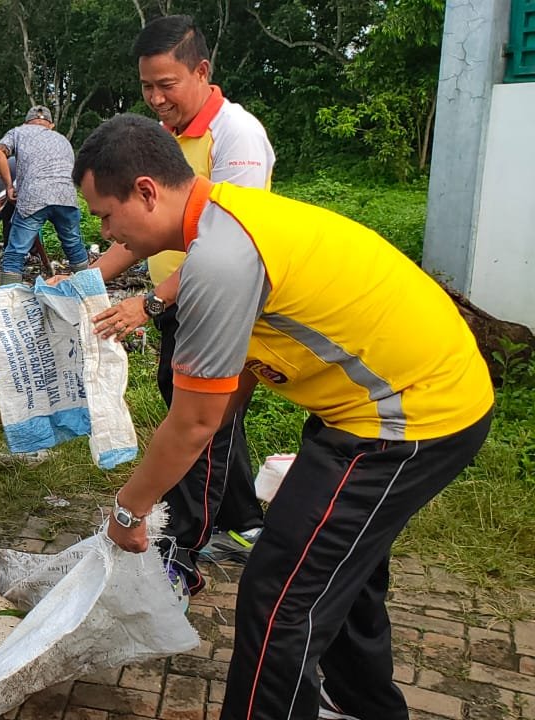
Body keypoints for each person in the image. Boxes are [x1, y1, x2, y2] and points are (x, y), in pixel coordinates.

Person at [76, 113, 492, 720]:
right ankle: (362, 705)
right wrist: (201, 424)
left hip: (407, 421)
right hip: (385, 403)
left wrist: (128, 510)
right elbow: (221, 398)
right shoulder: (227, 221)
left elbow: (193, 424)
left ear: (145, 190)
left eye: (106, 215)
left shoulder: (219, 259)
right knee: (341, 574)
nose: (106, 232)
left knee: (278, 598)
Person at [77, 16, 278, 594]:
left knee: (195, 426)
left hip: (217, 304)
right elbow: (130, 228)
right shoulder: (164, 141)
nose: (156, 98)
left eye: (167, 84)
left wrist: (152, 302)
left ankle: (181, 555)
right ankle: (242, 521)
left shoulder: (236, 136)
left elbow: (235, 240)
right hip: (181, 300)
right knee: (207, 418)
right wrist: (85, 279)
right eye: (146, 87)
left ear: (202, 71)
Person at [0, 106, 88, 285]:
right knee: (74, 245)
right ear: (51, 125)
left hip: (33, 197)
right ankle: (90, 289)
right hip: (66, 196)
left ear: (26, 123)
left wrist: (8, 187)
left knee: (16, 252)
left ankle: (7, 296)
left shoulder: (18, 132)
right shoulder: (62, 139)